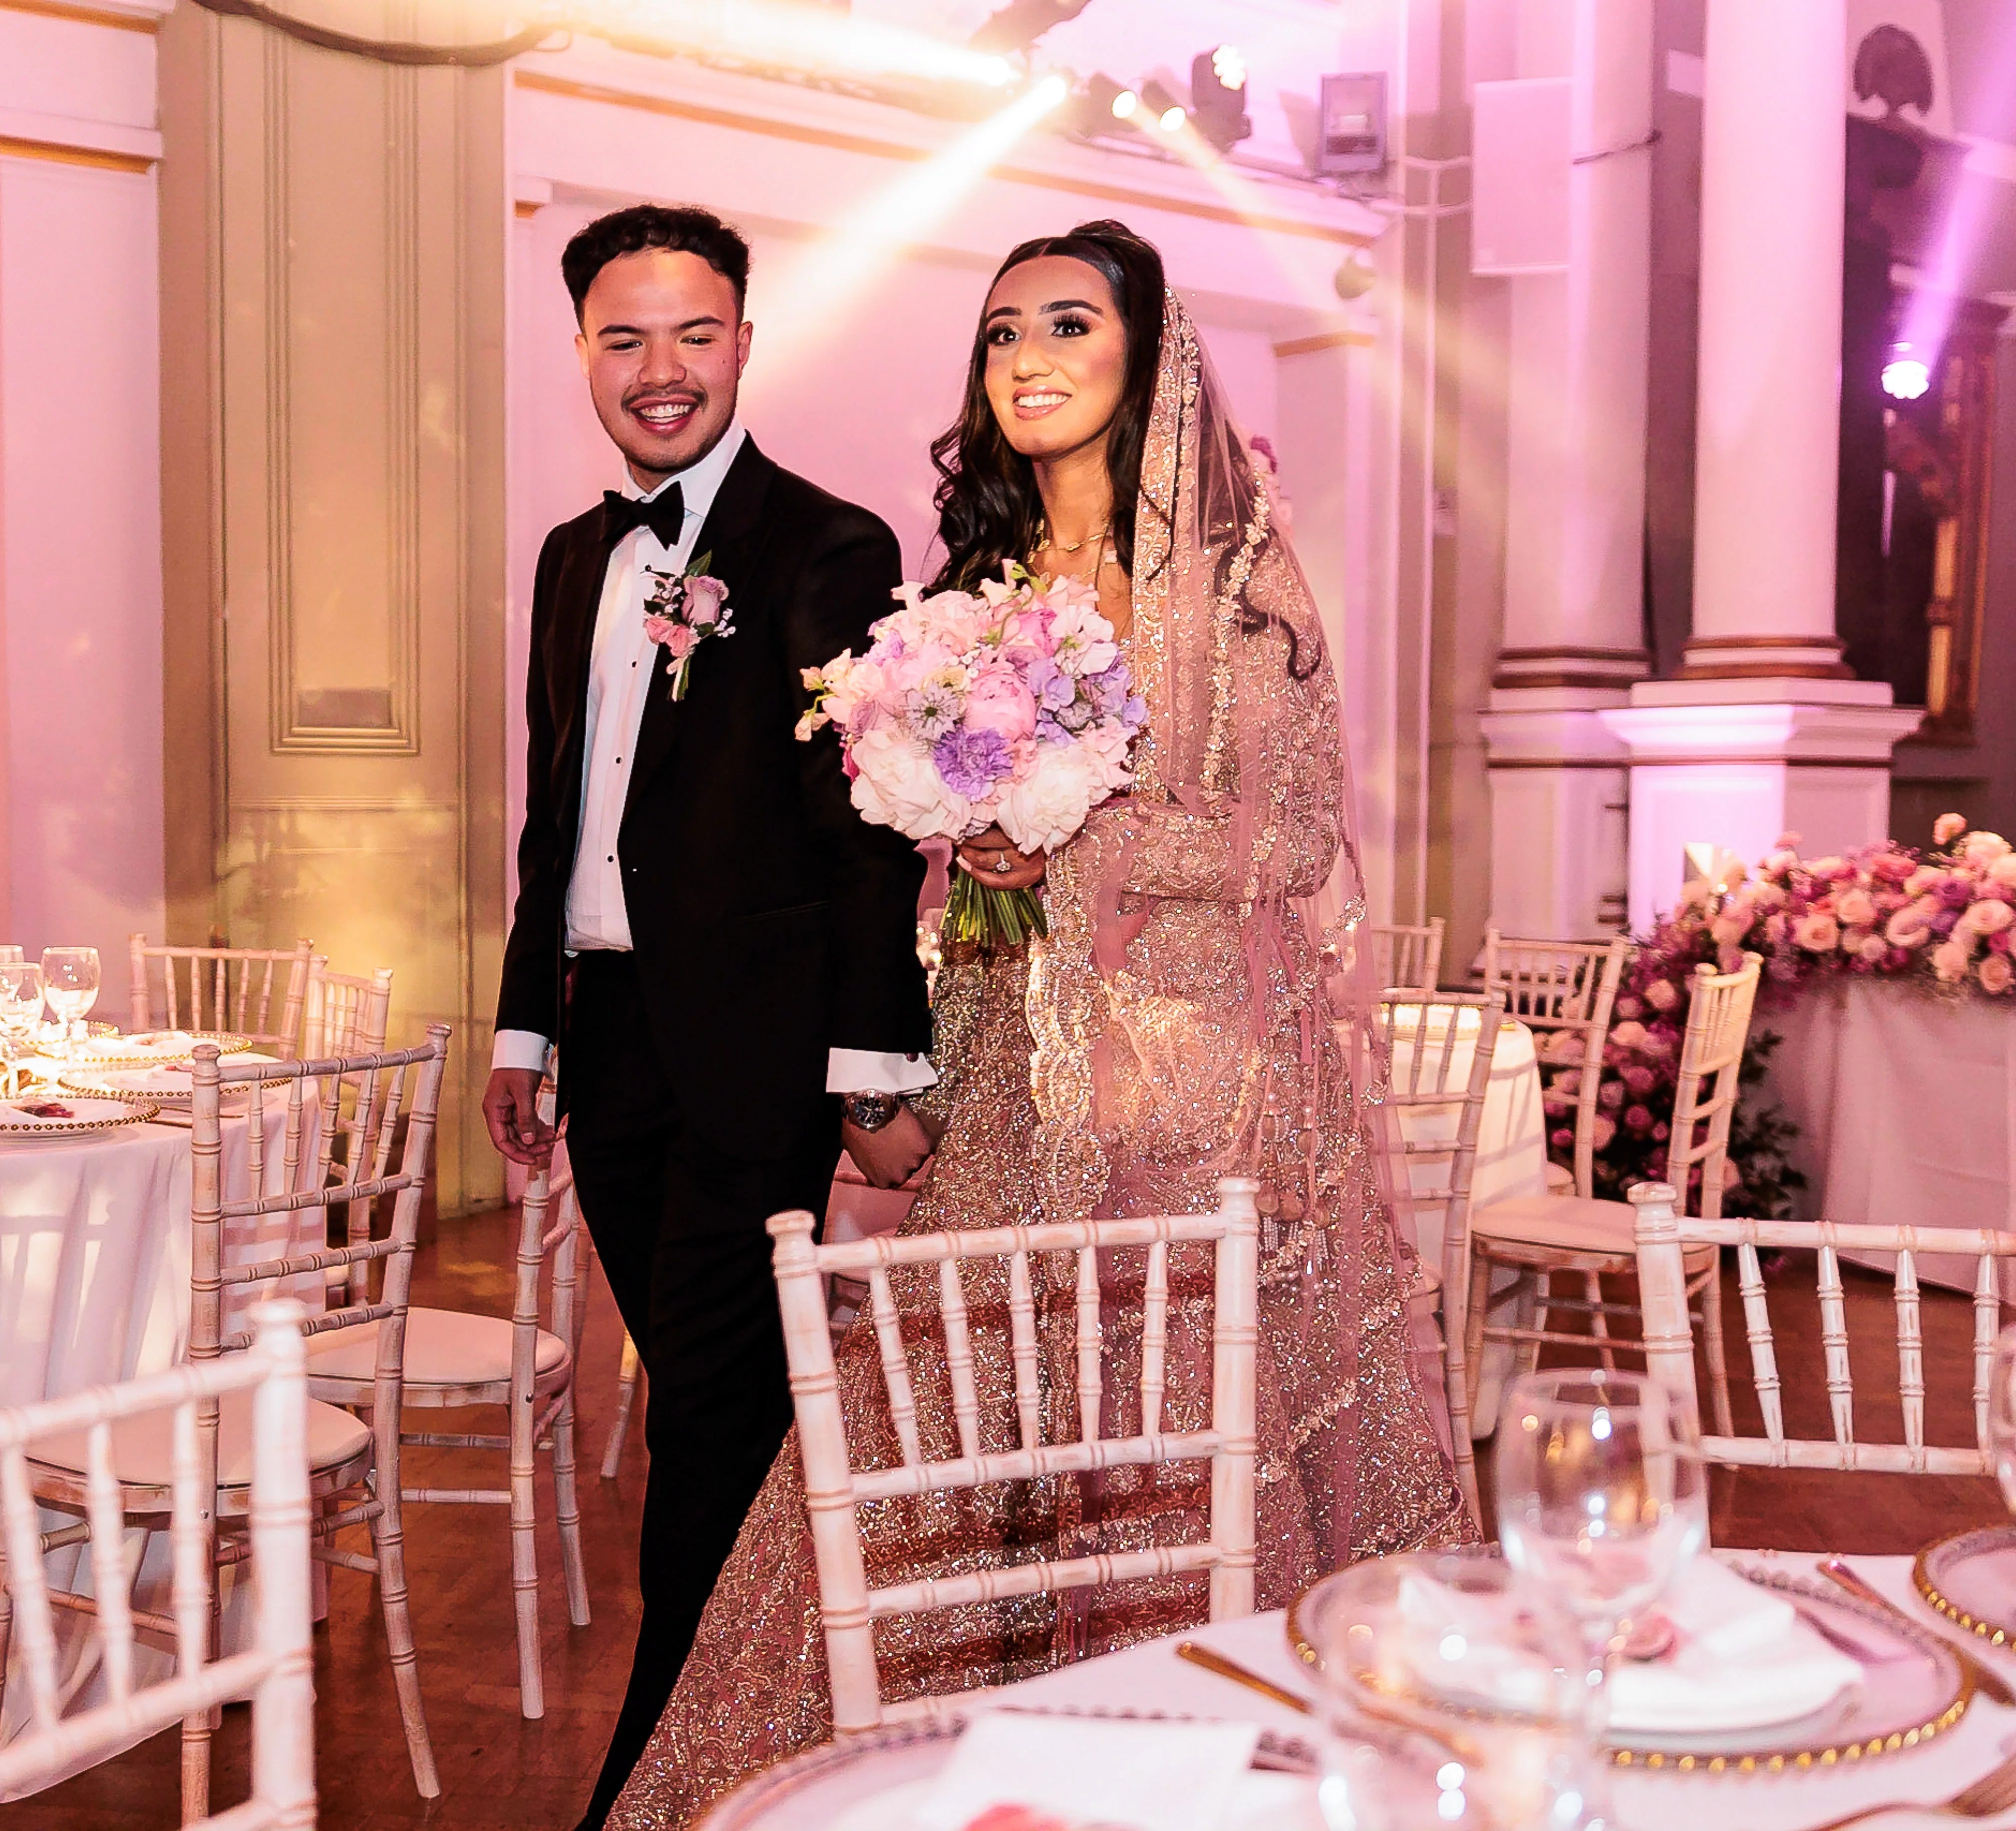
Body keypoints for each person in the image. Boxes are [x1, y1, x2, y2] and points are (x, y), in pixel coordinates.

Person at [600, 220, 1475, 1831]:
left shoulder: (1234, 585)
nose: (1029, 359)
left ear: (1150, 356)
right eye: (1002, 333)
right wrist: (965, 842)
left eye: (1069, 326)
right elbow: (922, 835)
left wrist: (1071, 814)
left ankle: (1176, 1784)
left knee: (1159, 1462)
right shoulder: (973, 592)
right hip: (1009, 1075)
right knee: (964, 1453)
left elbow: (1286, 844)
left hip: (1188, 1094)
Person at [481, 202, 938, 1831]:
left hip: (753, 1055)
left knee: (713, 1416)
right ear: (583, 353)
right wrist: (526, 1027)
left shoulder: (831, 548)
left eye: (692, 333)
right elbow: (555, 812)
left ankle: (660, 1777)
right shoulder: (566, 559)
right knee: (701, 1400)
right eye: (623, 337)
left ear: (743, 341)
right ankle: (776, 1732)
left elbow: (864, 830)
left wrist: (875, 1067)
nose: (658, 370)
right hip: (607, 1050)